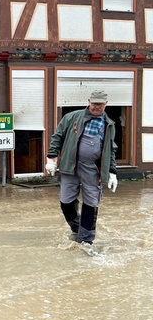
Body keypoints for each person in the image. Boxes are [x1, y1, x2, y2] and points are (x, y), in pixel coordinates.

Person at [45, 90, 118, 245]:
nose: (96, 107)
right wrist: (51, 158)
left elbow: (111, 149)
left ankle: (86, 240)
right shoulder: (72, 117)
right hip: (69, 165)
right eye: (94, 103)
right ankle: (77, 228)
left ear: (106, 104)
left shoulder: (109, 124)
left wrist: (112, 171)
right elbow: (57, 136)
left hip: (93, 169)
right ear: (88, 101)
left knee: (91, 203)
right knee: (65, 201)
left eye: (100, 104)